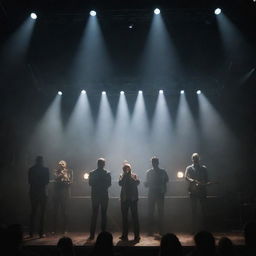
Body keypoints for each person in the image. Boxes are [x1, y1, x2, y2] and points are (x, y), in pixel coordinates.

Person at [144, 156, 169, 236]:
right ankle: (155, 230)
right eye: (153, 162)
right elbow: (166, 180)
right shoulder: (160, 171)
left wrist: (148, 184)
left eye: (154, 162)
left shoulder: (157, 171)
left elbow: (166, 180)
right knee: (153, 212)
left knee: (157, 212)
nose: (153, 163)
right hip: (155, 192)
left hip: (157, 193)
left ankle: (156, 230)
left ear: (157, 163)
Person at [88, 158, 111, 240]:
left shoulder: (92, 173)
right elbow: (108, 184)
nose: (101, 164)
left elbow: (91, 183)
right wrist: (102, 182)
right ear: (103, 164)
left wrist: (98, 182)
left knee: (95, 215)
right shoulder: (107, 173)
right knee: (103, 215)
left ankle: (92, 235)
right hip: (103, 195)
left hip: (96, 195)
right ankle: (102, 234)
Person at [185, 153, 208, 232]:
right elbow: (186, 176)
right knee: (193, 210)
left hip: (202, 190)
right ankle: (193, 229)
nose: (195, 159)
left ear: (199, 159)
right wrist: (192, 181)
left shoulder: (203, 168)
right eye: (194, 158)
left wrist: (204, 183)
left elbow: (207, 178)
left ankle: (204, 228)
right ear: (192, 159)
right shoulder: (189, 168)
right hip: (193, 190)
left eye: (196, 158)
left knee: (204, 209)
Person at [28, 156, 49, 238]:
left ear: (36, 161)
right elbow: (47, 181)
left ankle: (31, 232)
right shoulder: (45, 169)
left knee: (33, 212)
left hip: (33, 192)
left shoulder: (31, 169)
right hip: (42, 193)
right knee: (42, 213)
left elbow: (29, 181)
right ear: (42, 161)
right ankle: (41, 233)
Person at [118, 162, 140, 242]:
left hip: (133, 199)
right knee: (124, 218)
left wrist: (129, 176)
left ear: (130, 169)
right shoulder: (121, 176)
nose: (126, 170)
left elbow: (137, 182)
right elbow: (120, 183)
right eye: (124, 169)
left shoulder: (134, 176)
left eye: (127, 168)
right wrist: (125, 176)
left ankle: (137, 235)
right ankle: (124, 235)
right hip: (124, 199)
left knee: (135, 217)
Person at [53, 160, 73, 234]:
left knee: (65, 212)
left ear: (65, 165)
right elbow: (55, 180)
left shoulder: (69, 171)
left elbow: (70, 182)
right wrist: (61, 175)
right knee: (55, 212)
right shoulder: (56, 171)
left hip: (65, 194)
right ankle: (54, 229)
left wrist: (65, 177)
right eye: (60, 164)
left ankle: (65, 229)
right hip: (57, 194)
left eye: (63, 164)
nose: (61, 165)